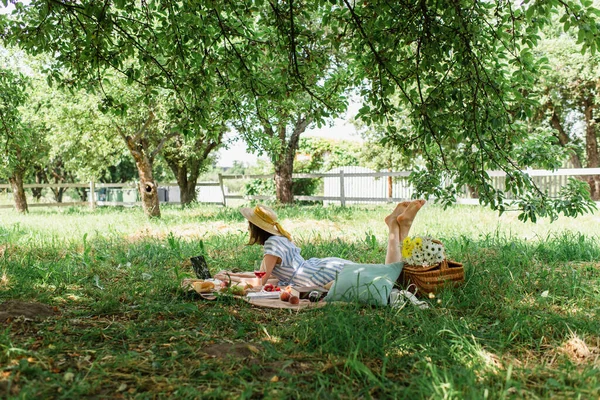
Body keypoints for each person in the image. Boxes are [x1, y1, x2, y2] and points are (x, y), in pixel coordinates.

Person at [214, 200, 426, 288]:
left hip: (315, 276)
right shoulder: (280, 239)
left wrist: (231, 281)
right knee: (384, 278)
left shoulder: (272, 247)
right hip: (321, 267)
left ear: (255, 228)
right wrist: (232, 275)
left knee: (385, 281)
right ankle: (400, 229)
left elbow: (261, 282)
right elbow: (266, 275)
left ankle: (395, 228)